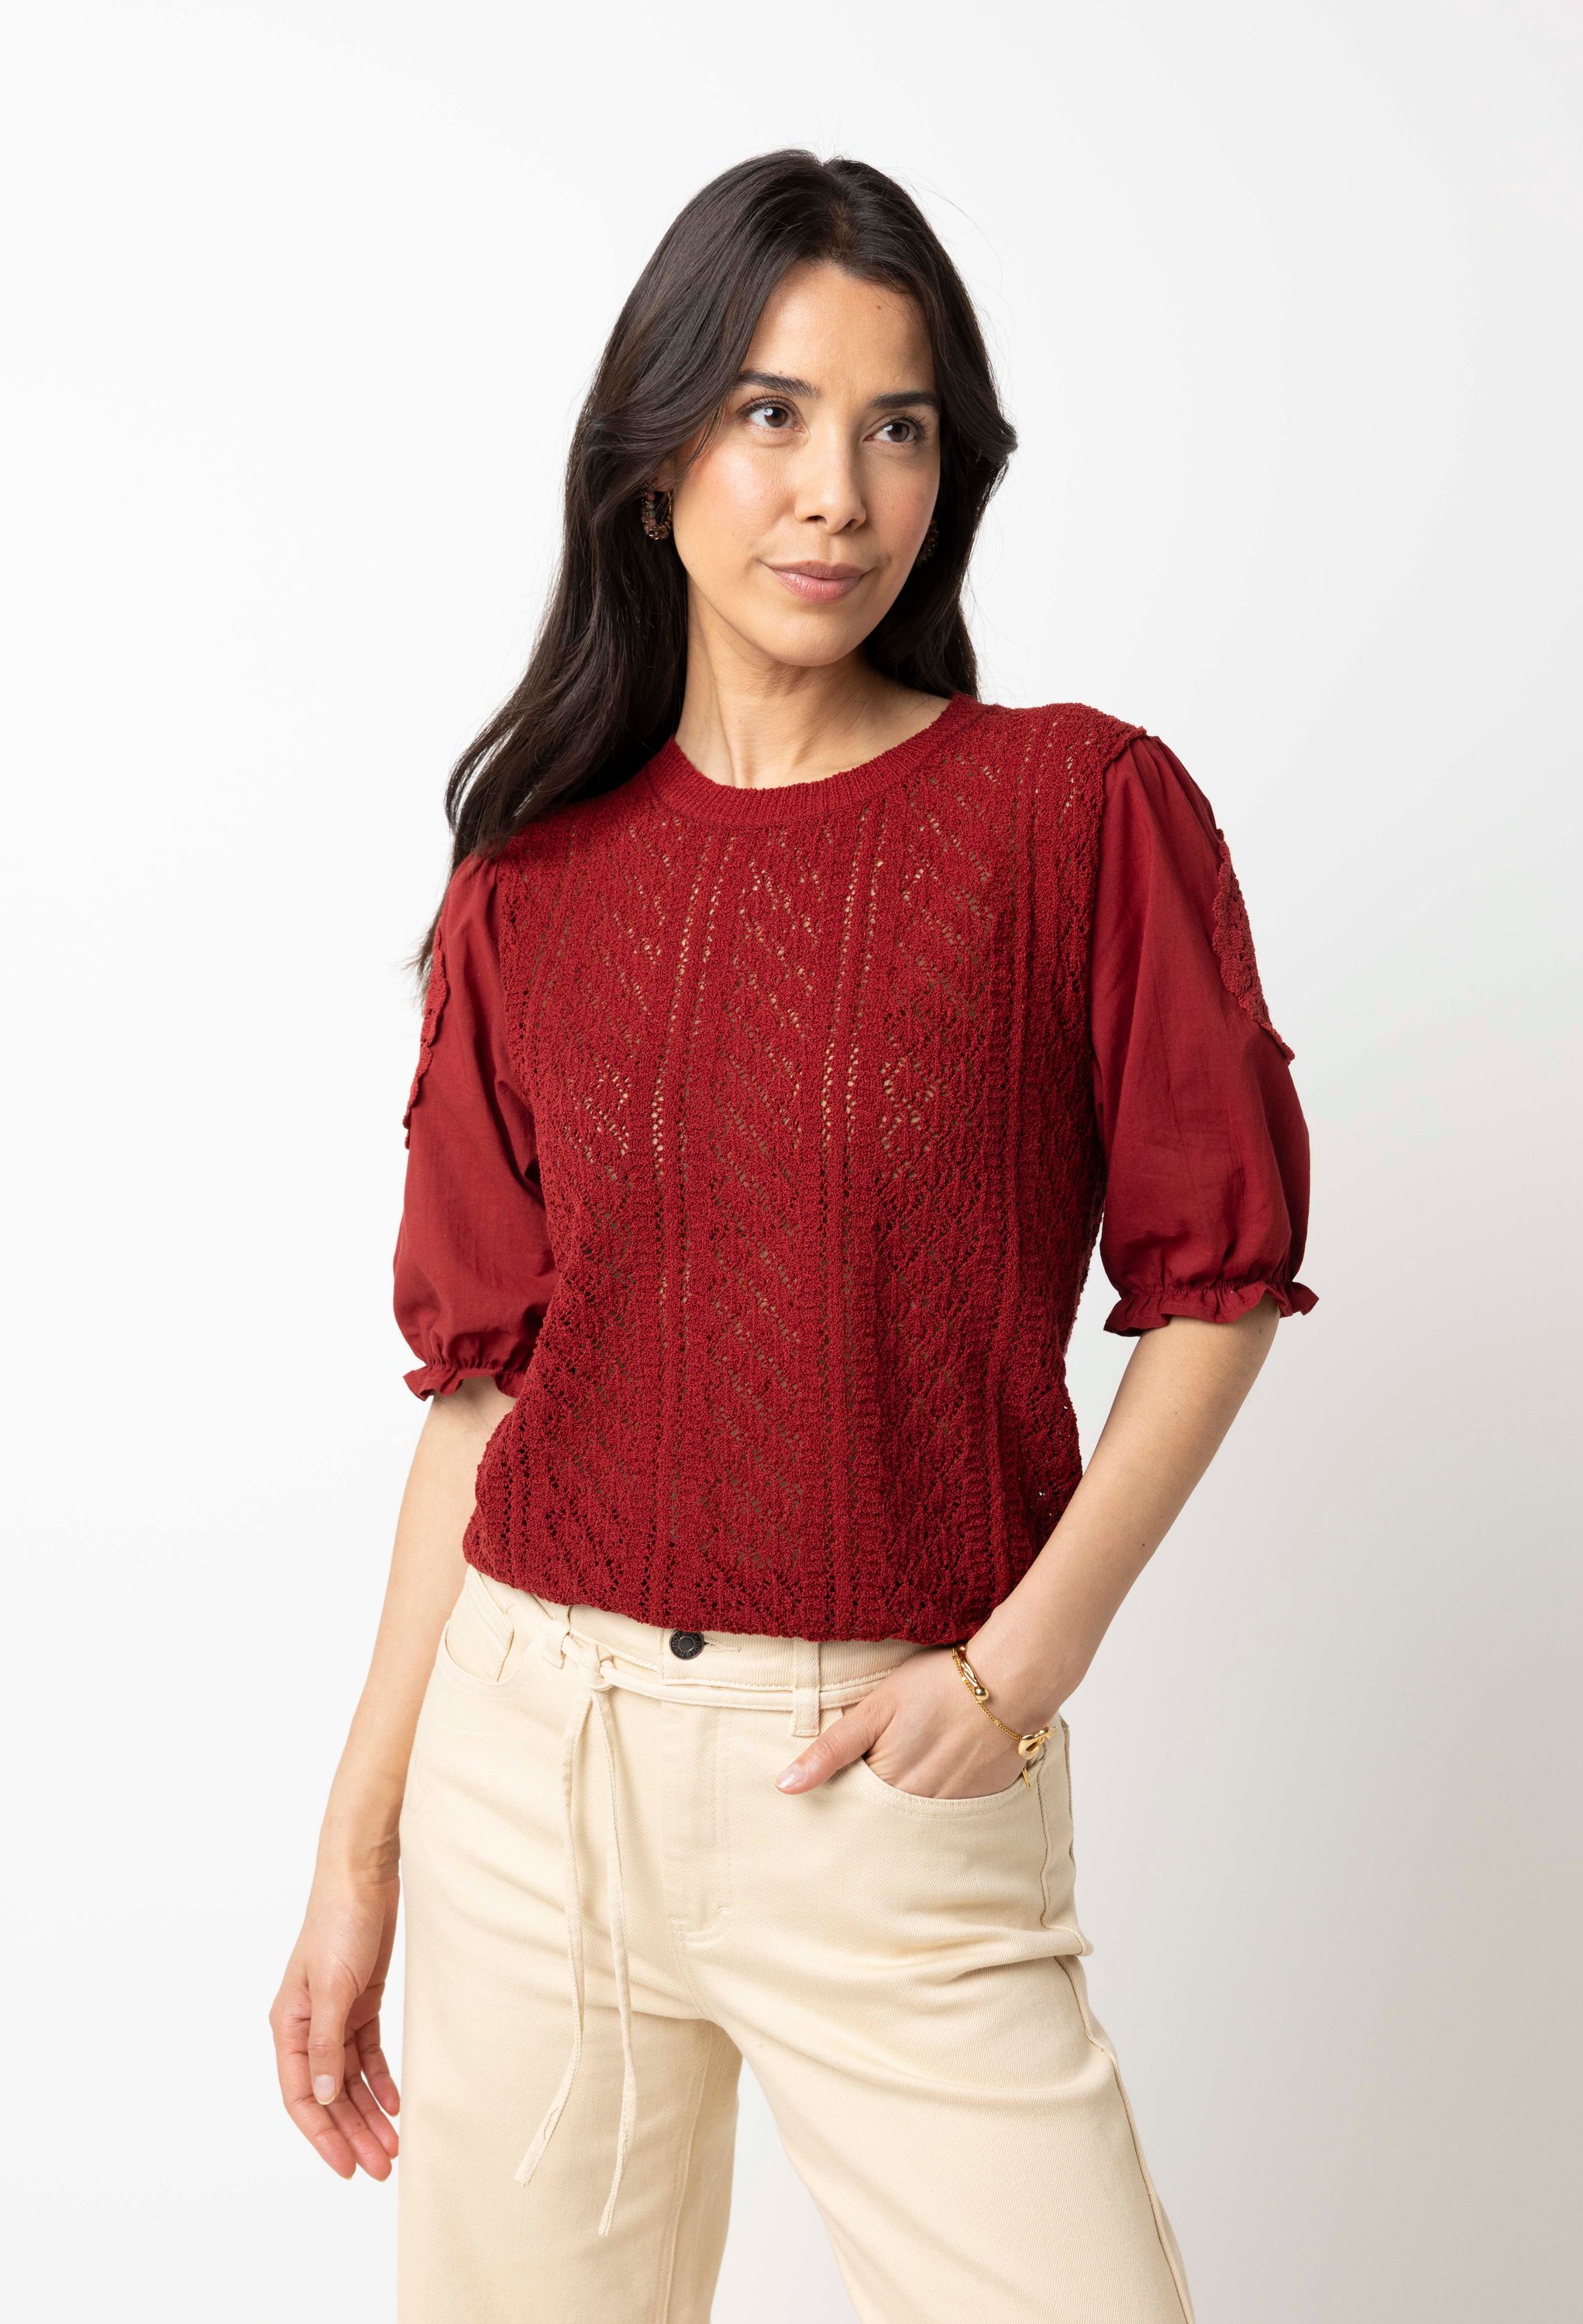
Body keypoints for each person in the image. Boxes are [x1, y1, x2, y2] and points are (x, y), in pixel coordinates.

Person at [269, 149, 1316, 2324]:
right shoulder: (532, 889)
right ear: (654, 461)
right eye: (771, 414)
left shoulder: (1069, 812)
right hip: (529, 1775)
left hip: (883, 1788)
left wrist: (1017, 1675)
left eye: (896, 426)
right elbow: (483, 1395)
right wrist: (359, 1848)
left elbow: (1215, 1286)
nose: (837, 492)